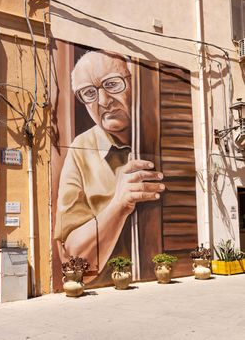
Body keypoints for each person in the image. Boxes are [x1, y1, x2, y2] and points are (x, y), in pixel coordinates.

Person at [54, 50, 165, 282]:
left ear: (135, 84)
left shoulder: (166, 135)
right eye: (89, 93)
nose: (103, 101)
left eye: (112, 84)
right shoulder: (80, 149)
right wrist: (118, 207)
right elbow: (72, 259)